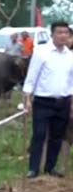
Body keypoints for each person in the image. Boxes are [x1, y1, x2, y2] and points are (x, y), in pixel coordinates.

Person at [21, 21, 73, 178]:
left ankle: (50, 167)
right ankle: (33, 169)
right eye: (59, 32)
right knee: (39, 134)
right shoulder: (41, 52)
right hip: (43, 101)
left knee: (57, 136)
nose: (63, 36)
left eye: (66, 33)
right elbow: (31, 78)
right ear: (52, 35)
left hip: (63, 101)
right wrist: (27, 99)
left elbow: (71, 81)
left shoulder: (70, 56)